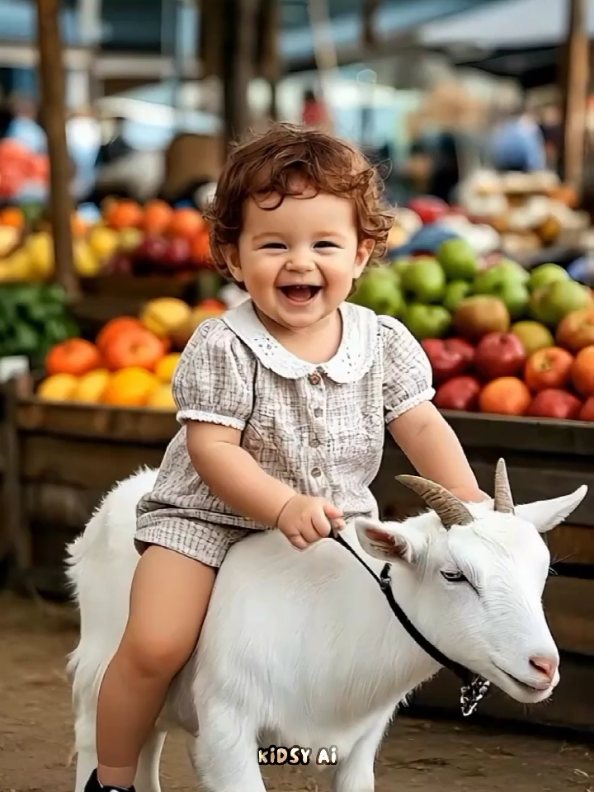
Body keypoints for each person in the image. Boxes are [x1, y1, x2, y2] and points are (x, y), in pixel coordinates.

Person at [83, 123, 486, 792]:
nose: (300, 262)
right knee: (155, 643)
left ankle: (318, 763)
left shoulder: (380, 341)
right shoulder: (223, 344)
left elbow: (421, 424)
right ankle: (114, 777)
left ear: (361, 254)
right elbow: (212, 450)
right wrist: (279, 504)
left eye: (324, 243)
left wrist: (471, 509)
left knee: (361, 649)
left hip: (332, 522)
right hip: (208, 520)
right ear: (234, 257)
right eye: (274, 245)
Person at [489, 100, 547, 173]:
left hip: (502, 169)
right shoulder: (528, 127)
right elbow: (534, 158)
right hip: (524, 170)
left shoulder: (505, 127)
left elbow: (496, 151)